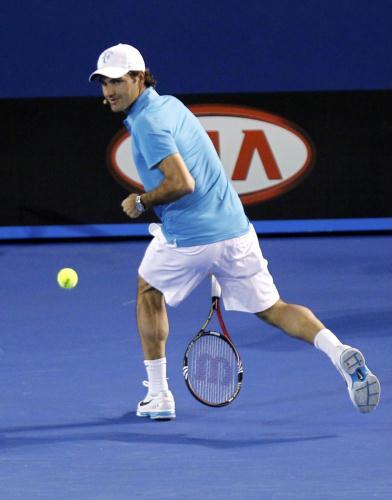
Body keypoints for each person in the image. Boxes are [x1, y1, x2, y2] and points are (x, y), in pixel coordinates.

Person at [89, 43, 381, 420]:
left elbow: (182, 182)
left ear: (139, 78)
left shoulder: (146, 124)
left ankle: (159, 395)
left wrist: (142, 202)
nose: (108, 90)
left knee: (148, 289)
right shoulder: (170, 106)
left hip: (191, 237)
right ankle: (338, 351)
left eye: (116, 81)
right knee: (274, 309)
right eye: (103, 82)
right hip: (235, 230)